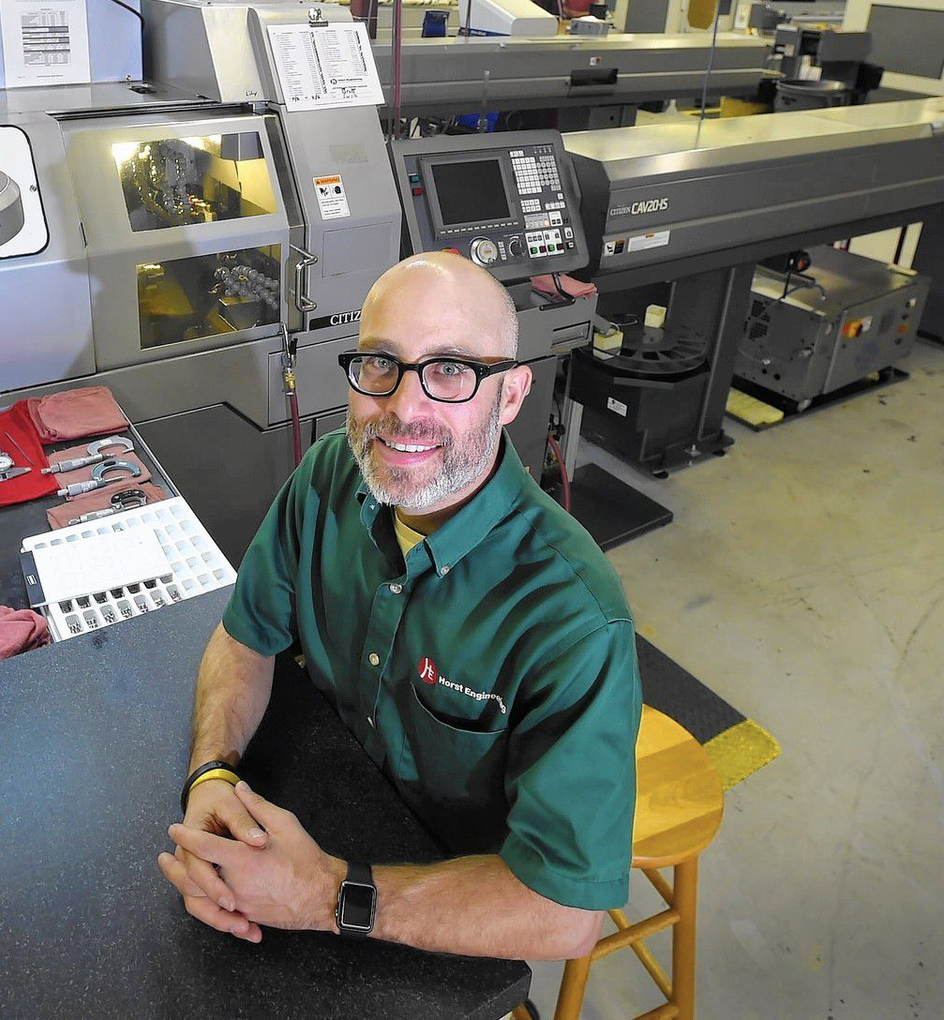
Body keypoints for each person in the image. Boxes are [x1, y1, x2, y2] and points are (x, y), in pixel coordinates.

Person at [158, 253, 640, 961]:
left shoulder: (572, 620)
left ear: (510, 396)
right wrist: (212, 776)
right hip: (308, 822)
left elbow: (563, 917)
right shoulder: (328, 475)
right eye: (381, 364)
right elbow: (246, 638)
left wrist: (323, 895)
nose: (404, 409)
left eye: (450, 370)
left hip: (446, 909)